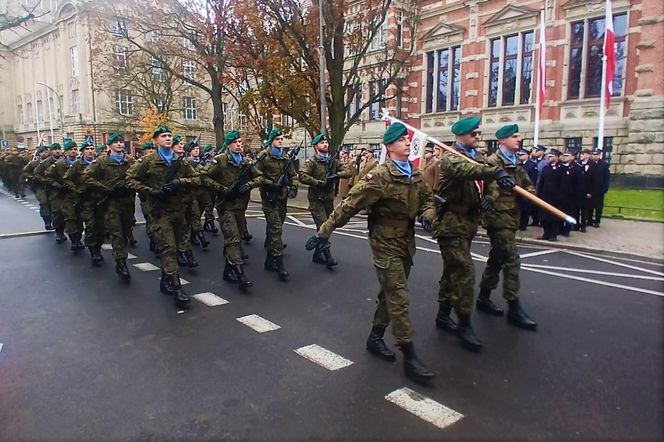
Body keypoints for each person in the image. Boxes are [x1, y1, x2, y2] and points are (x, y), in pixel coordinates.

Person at [306, 122, 437, 383]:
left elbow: (428, 199)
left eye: (407, 140)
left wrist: (428, 214)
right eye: (401, 140)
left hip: (406, 244)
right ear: (389, 146)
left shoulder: (414, 173)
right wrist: (324, 231)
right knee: (398, 296)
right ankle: (409, 355)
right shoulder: (379, 177)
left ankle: (375, 338)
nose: (407, 143)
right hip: (384, 244)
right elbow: (348, 205)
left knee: (390, 295)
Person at [432, 116, 516, 352]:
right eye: (473, 134)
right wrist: (493, 172)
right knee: (465, 272)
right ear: (460, 136)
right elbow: (469, 171)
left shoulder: (478, 157)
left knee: (452, 272)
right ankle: (465, 323)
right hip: (450, 224)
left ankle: (443, 314)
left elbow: (492, 179)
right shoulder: (450, 158)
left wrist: (491, 195)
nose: (477, 137)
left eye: (478, 134)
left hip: (468, 223)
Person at [126, 125, 217, 309]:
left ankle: (164, 281)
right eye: (164, 136)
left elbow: (197, 179)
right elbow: (130, 179)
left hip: (179, 212)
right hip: (159, 212)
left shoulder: (181, 162)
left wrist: (179, 182)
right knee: (169, 249)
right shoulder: (148, 161)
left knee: (176, 248)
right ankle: (177, 288)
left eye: (170, 136)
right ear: (156, 140)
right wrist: (152, 192)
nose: (168, 138)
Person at [476, 124, 537, 330]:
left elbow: (528, 184)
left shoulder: (516, 163)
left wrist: (528, 192)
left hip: (512, 217)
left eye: (518, 136)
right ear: (502, 141)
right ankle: (514, 307)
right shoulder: (493, 162)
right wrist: (496, 194)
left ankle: (484, 297)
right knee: (511, 260)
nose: (518, 139)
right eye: (514, 136)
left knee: (497, 259)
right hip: (497, 218)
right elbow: (490, 188)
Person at [203, 130, 265, 290]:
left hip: (241, 208)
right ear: (228, 144)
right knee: (233, 239)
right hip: (226, 207)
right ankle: (240, 273)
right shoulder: (220, 161)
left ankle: (228, 270)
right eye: (235, 142)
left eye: (240, 142)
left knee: (235, 240)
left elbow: (260, 177)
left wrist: (250, 185)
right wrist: (222, 189)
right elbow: (203, 177)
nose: (239, 145)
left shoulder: (245, 162)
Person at [82, 134, 135, 281]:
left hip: (127, 201)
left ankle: (121, 257)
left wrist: (128, 185)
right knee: (116, 232)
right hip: (111, 203)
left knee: (125, 231)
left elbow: (137, 176)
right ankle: (121, 262)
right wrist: (104, 188)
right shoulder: (101, 161)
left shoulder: (129, 160)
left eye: (121, 142)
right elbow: (86, 177)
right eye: (116, 142)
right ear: (109, 145)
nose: (119, 144)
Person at [299, 133, 352, 267]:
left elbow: (348, 171)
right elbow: (302, 176)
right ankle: (328, 257)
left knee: (328, 227)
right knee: (322, 226)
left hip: (328, 199)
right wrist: (317, 182)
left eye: (326, 143)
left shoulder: (332, 161)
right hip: (316, 198)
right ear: (316, 146)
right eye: (322, 143)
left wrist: (336, 175)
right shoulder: (312, 161)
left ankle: (317, 254)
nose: (325, 145)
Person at [256, 128, 299, 281]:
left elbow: (293, 174)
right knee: (276, 229)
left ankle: (269, 260)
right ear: (272, 141)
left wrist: (294, 186)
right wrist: (269, 184)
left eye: (282, 138)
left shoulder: (286, 157)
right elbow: (256, 175)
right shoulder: (264, 156)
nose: (281, 141)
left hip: (282, 198)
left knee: (275, 228)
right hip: (269, 197)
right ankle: (280, 264)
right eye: (278, 139)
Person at [64, 141, 105, 266]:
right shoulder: (77, 165)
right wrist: (77, 190)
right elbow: (67, 179)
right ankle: (93, 251)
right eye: (87, 149)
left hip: (101, 199)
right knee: (91, 225)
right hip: (86, 200)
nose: (90, 151)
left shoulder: (99, 163)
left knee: (101, 227)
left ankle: (97, 247)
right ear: (82, 151)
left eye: (92, 148)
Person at [44, 140, 85, 251]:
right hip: (62, 195)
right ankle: (70, 238)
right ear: (66, 152)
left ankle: (78, 237)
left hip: (78, 194)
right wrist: (57, 185)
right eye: (70, 150)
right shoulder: (59, 164)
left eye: (75, 149)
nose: (73, 152)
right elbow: (47, 176)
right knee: (67, 217)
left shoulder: (81, 163)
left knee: (79, 219)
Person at [33, 143, 64, 242]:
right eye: (55, 149)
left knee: (69, 213)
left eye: (59, 149)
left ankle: (73, 236)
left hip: (66, 189)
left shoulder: (65, 160)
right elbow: (37, 173)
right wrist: (45, 181)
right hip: (52, 190)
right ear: (51, 151)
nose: (57, 151)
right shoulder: (45, 163)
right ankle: (59, 232)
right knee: (57, 212)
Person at [536, 149, 564, 241]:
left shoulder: (561, 168)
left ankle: (553, 235)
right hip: (545, 196)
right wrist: (539, 194)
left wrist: (560, 196)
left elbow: (564, 184)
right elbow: (541, 182)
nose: (549, 158)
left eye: (551, 156)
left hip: (556, 197)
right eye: (548, 156)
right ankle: (546, 233)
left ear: (556, 157)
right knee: (544, 217)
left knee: (553, 217)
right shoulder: (546, 167)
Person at [23, 145, 53, 230]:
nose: (45, 153)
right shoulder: (34, 163)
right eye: (43, 152)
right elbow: (25, 171)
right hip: (39, 186)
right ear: (39, 153)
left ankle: (54, 221)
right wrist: (32, 177)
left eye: (47, 152)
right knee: (44, 202)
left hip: (50, 185)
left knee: (53, 204)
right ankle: (47, 222)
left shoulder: (52, 162)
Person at [559, 150, 582, 237]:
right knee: (560, 212)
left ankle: (567, 230)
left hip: (571, 196)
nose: (565, 157)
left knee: (569, 213)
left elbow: (579, 184)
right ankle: (559, 228)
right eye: (564, 155)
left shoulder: (577, 168)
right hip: (561, 195)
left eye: (567, 155)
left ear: (573, 157)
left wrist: (577, 195)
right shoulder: (560, 166)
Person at [578, 149, 597, 232]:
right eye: (581, 154)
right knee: (576, 209)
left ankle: (583, 226)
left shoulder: (593, 165)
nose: (581, 155)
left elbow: (595, 180)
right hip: (578, 190)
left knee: (584, 210)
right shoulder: (578, 164)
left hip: (587, 191)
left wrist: (591, 192)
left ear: (588, 155)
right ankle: (575, 225)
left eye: (583, 154)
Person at [517, 148, 537, 231]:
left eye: (522, 155)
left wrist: (530, 189)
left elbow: (533, 179)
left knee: (525, 209)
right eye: (519, 155)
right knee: (519, 208)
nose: (520, 156)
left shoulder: (532, 165)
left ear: (527, 156)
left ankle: (523, 226)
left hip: (527, 189)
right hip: (519, 189)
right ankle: (519, 224)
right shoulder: (520, 165)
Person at [590, 149, 610, 227]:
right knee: (590, 205)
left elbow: (606, 177)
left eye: (597, 154)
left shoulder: (604, 165)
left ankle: (597, 221)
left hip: (599, 189)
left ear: (600, 155)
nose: (595, 156)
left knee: (598, 206)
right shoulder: (590, 164)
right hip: (590, 188)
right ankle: (590, 220)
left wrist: (605, 188)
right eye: (594, 154)